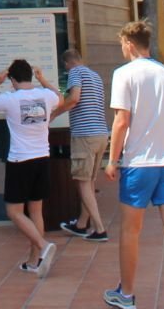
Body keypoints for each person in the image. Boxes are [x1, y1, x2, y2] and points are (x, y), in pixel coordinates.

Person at [102, 20, 164, 309]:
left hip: (138, 164)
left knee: (131, 231)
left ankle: (126, 294)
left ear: (128, 43)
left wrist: (113, 160)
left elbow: (121, 121)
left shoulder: (123, 74)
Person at [0, 58, 79, 280]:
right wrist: (44, 80)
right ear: (31, 77)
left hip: (20, 161)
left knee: (14, 212)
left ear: (12, 79)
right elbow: (61, 97)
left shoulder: (10, 98)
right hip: (42, 158)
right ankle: (35, 261)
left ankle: (43, 246)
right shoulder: (46, 96)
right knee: (36, 211)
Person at [57, 46, 113, 243]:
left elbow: (74, 98)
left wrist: (53, 114)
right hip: (101, 133)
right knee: (89, 181)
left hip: (84, 135)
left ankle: (99, 228)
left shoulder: (74, 73)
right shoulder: (95, 76)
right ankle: (81, 224)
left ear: (67, 63)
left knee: (82, 181)